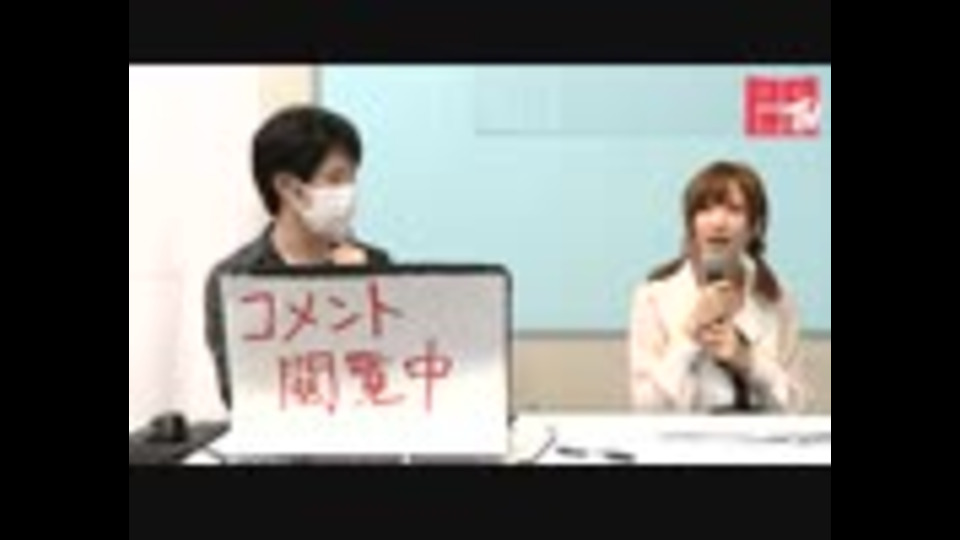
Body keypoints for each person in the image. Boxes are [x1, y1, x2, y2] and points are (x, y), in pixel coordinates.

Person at [204, 105, 392, 409]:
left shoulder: (376, 266)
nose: (348, 192)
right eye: (335, 179)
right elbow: (238, 395)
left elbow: (389, 383)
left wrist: (355, 284)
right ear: (288, 189)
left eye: (352, 179)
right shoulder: (236, 278)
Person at [628, 160, 806, 413]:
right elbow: (647, 409)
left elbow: (795, 408)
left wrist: (749, 361)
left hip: (758, 438)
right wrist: (689, 335)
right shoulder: (654, 298)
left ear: (754, 227)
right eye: (705, 209)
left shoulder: (778, 299)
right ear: (691, 224)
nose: (718, 222)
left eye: (734, 210)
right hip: (681, 439)